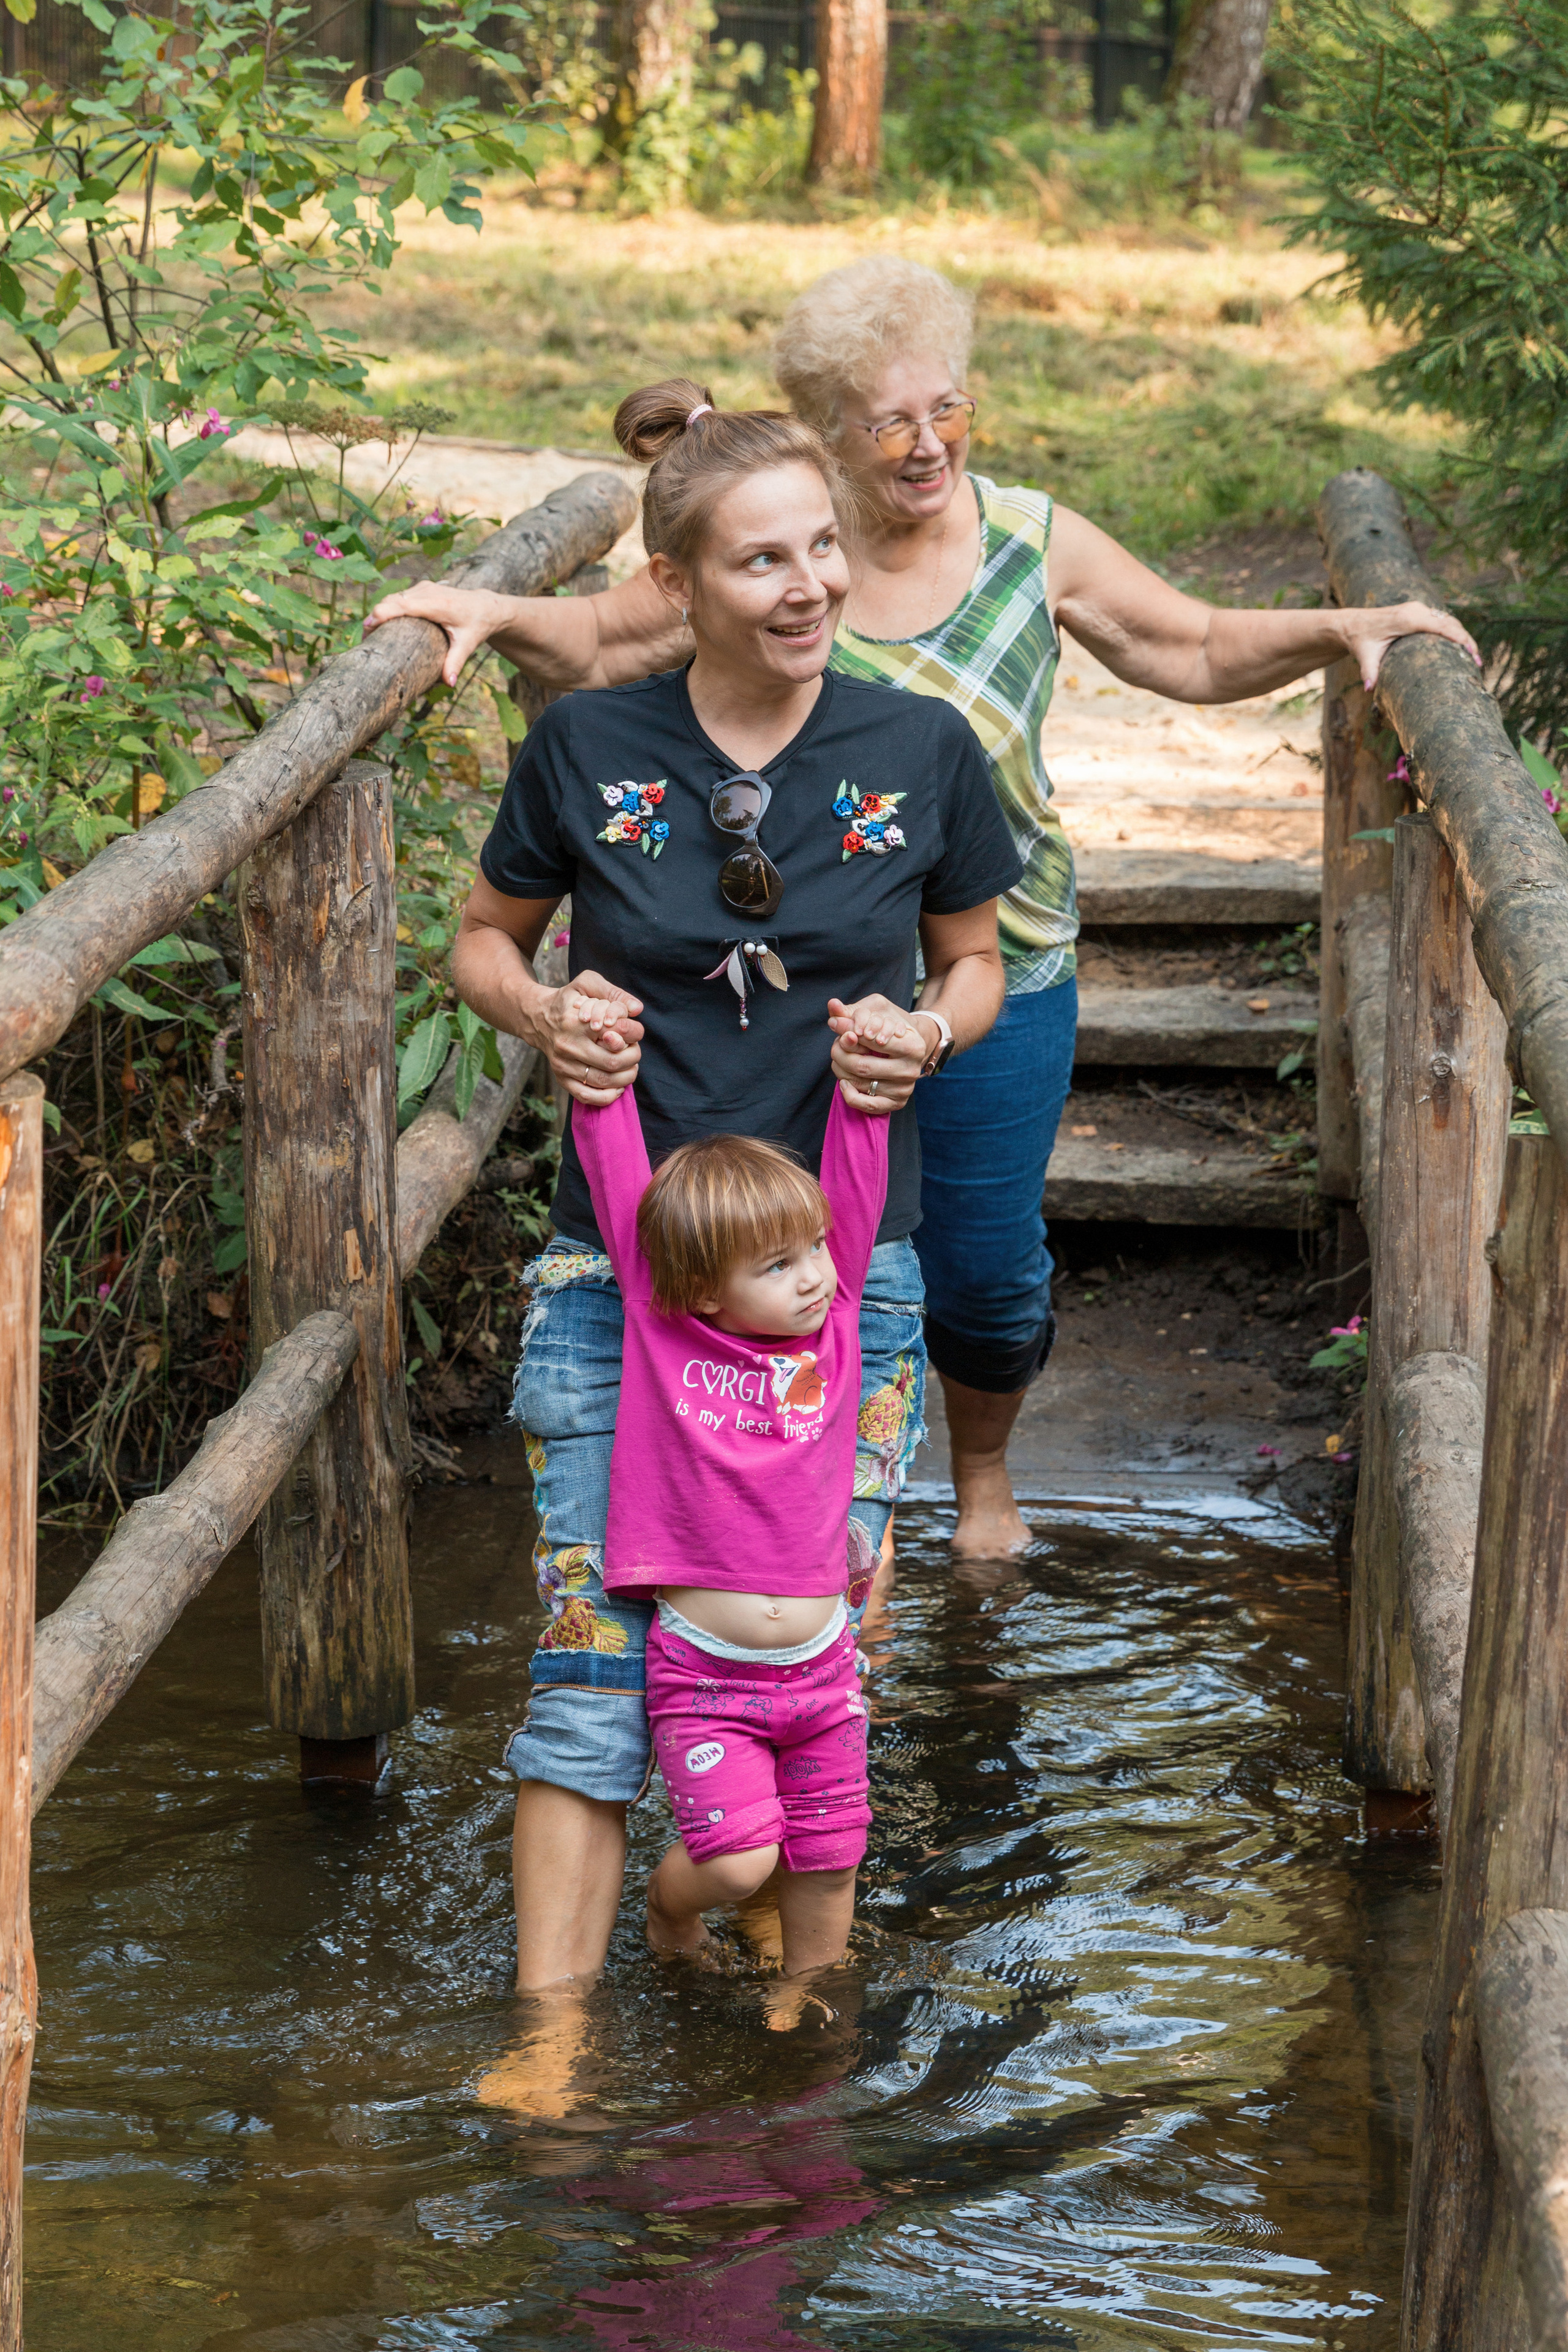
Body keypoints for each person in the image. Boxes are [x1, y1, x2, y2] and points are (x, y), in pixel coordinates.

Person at [368, 258, 1479, 1563]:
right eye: (890, 423)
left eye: (947, 410)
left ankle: (983, 1475)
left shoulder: (1024, 537)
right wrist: (491, 609)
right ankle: (823, 1567)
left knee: (985, 1268)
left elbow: (1184, 646)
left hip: (993, 962)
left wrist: (1339, 629)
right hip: (808, 985)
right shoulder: (779, 556)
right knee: (808, 1258)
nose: (926, 444)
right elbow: (609, 641)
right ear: (831, 439)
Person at [451, 376, 1023, 1989]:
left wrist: (925, 1028)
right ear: (682, 589)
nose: (813, 586)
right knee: (586, 1669)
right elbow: (482, 944)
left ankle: (772, 1980)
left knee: (814, 1645)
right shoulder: (585, 748)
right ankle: (555, 2046)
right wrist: (547, 1007)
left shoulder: (921, 750)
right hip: (613, 1274)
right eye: (764, 562)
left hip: (850, 1282)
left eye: (825, 551)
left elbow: (979, 965)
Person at [574, 1065, 896, 1975]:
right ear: (702, 1290)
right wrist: (598, 1083)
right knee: (742, 1858)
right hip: (707, 1674)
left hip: (826, 1668)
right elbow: (616, 1178)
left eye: (814, 1251)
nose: (812, 1278)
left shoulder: (833, 1323)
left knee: (832, 1858)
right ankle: (668, 1917)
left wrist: (861, 1098)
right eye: (776, 1265)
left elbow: (856, 1191)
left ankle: (806, 2004)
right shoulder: (665, 1322)